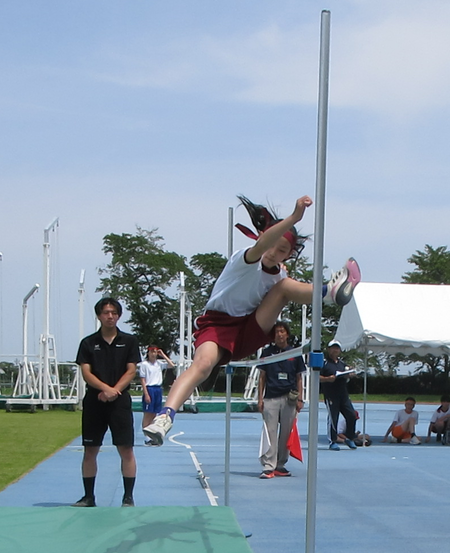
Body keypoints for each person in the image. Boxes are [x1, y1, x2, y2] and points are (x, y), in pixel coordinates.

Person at [144, 194, 361, 446]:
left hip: (249, 328)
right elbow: (263, 246)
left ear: (289, 255)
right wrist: (294, 218)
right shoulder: (245, 259)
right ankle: (165, 417)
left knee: (285, 287)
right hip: (217, 324)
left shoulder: (280, 276)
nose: (274, 253)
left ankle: (328, 294)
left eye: (282, 250)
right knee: (203, 365)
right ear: (263, 239)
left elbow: (282, 283)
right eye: (272, 244)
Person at [73, 297, 141, 507]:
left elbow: (131, 370)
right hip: (95, 402)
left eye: (114, 313)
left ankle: (128, 497)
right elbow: (86, 373)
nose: (110, 316)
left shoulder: (129, 341)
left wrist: (114, 391)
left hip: (120, 403)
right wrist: (105, 389)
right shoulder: (88, 343)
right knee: (90, 450)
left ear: (118, 315)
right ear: (99, 316)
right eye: (106, 313)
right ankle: (88, 497)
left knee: (126, 450)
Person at [257, 321, 306, 478]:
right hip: (271, 397)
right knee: (270, 432)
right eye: (277, 332)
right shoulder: (267, 353)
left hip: (289, 398)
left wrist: (300, 399)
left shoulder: (295, 353)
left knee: (286, 433)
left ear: (287, 334)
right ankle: (268, 466)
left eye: (282, 331)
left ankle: (280, 464)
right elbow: (262, 377)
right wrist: (260, 399)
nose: (279, 334)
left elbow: (299, 378)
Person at [320, 340, 358, 450]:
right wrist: (328, 379)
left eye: (337, 348)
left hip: (343, 395)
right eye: (333, 348)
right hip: (331, 395)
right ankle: (332, 441)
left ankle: (350, 437)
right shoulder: (324, 363)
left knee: (352, 415)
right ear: (329, 349)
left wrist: (349, 375)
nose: (335, 350)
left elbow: (347, 375)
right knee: (333, 418)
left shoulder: (342, 364)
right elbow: (317, 377)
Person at [139, 346, 175, 442]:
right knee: (147, 414)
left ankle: (152, 434)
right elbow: (142, 379)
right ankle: (146, 438)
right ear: (148, 353)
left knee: (154, 414)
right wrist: (146, 393)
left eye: (155, 352)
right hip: (149, 388)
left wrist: (163, 355)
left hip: (158, 389)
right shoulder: (144, 364)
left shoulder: (159, 364)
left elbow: (172, 365)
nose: (153, 354)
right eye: (151, 352)